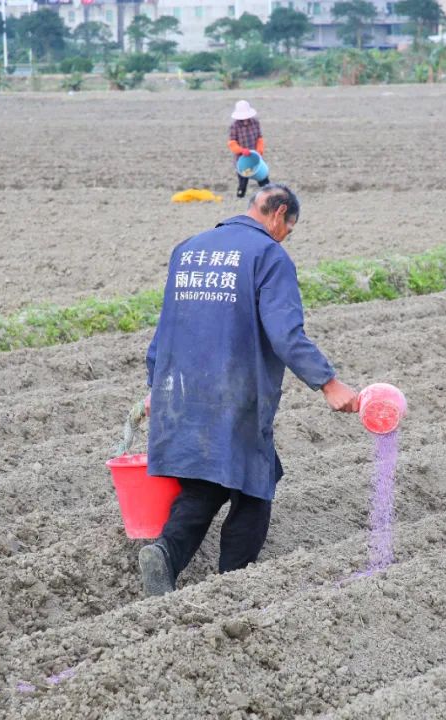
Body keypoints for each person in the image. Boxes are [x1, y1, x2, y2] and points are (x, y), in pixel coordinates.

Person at [138, 184, 359, 597]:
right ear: (277, 213)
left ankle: (166, 554)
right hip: (234, 392)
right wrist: (328, 383)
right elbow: (285, 333)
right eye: (287, 229)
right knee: (256, 484)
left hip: (183, 389)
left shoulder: (189, 249)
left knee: (207, 481)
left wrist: (156, 386)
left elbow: (167, 323)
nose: (284, 237)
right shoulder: (268, 256)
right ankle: (233, 582)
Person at [228, 100, 271, 199]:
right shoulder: (234, 126)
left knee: (263, 178)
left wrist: (259, 151)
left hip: (255, 156)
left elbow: (260, 138)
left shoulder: (255, 122)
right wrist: (241, 150)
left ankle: (269, 195)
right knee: (243, 180)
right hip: (242, 158)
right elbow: (232, 143)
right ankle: (240, 195)